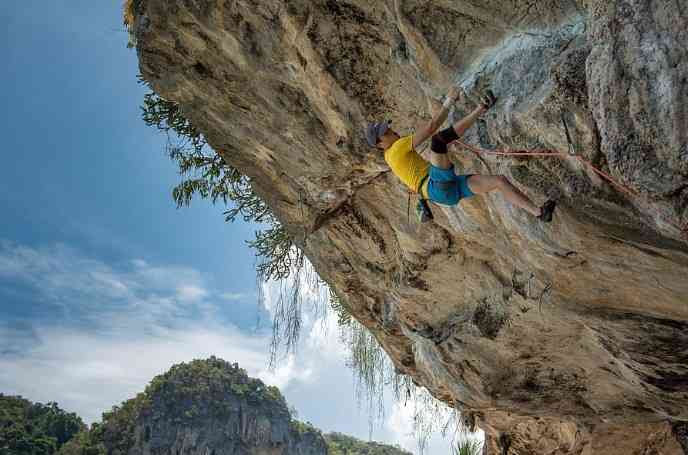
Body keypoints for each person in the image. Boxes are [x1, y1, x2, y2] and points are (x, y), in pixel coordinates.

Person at [365, 86, 556, 223]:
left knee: (499, 181)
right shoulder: (396, 148)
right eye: (386, 133)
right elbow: (432, 127)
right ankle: (482, 107)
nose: (392, 131)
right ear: (380, 144)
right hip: (434, 186)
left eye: (388, 128)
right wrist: (449, 101)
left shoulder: (390, 158)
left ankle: (540, 213)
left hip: (442, 195)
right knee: (439, 141)